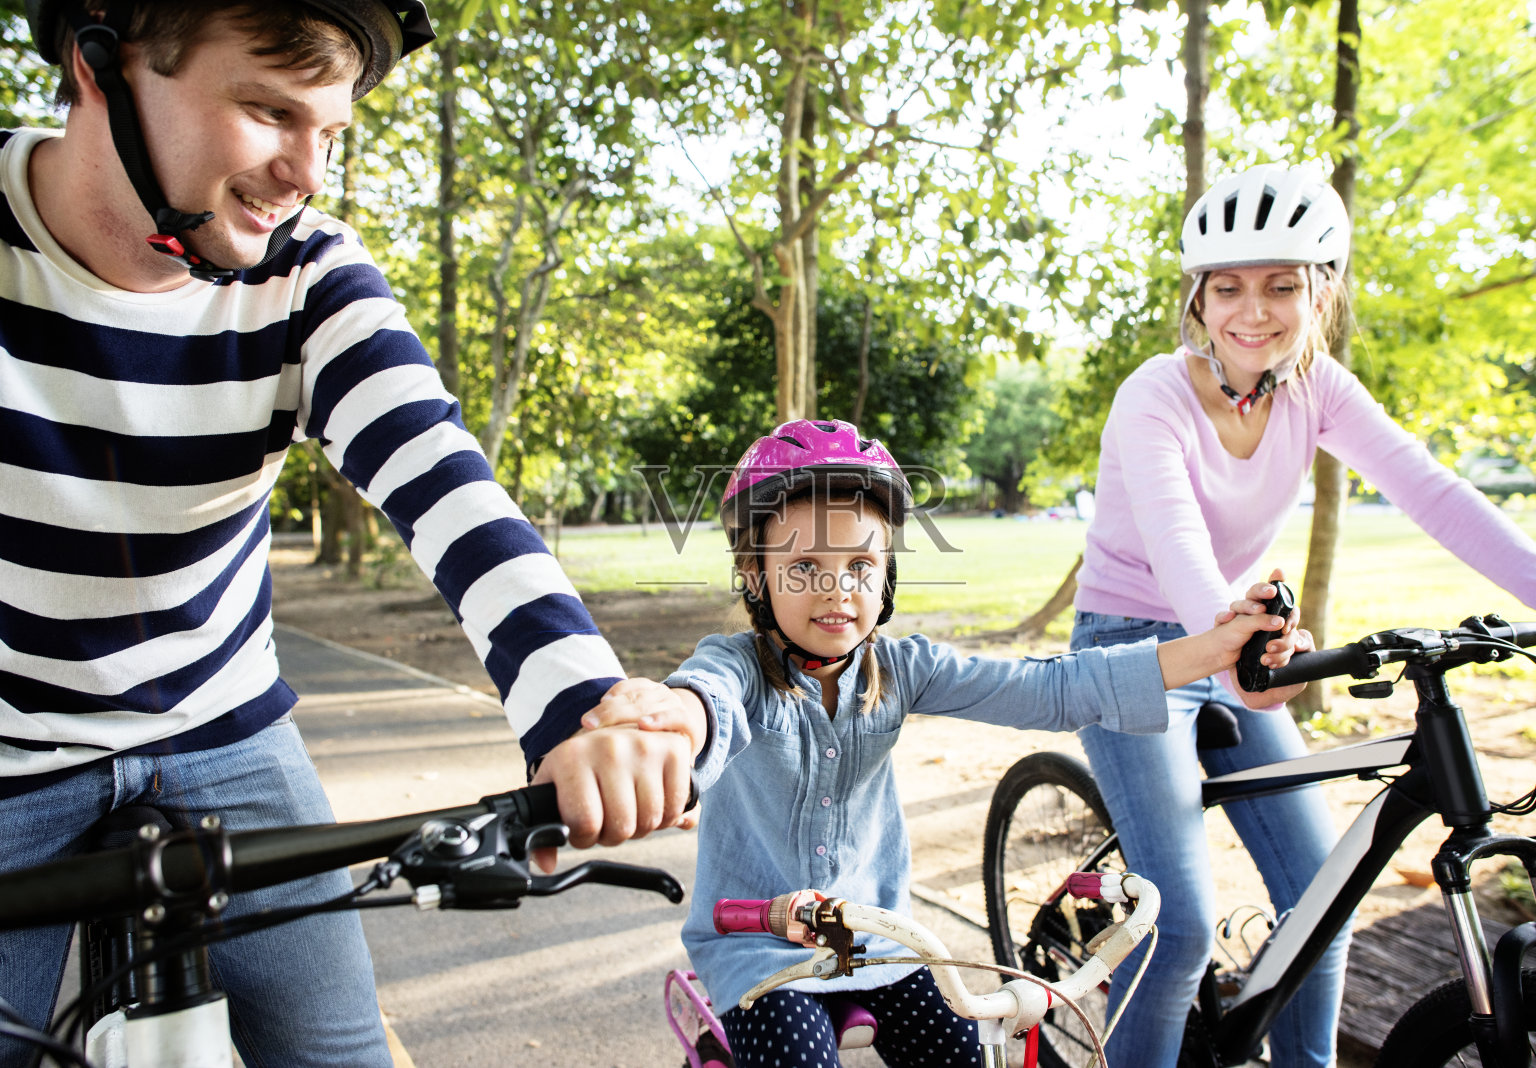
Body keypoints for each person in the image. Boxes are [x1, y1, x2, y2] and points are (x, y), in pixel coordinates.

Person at [0, 3, 689, 1065]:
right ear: (101, 68)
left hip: (217, 723)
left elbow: (448, 488)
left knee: (338, 1055)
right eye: (271, 112)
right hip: (9, 749)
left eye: (333, 132)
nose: (305, 173)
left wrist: (583, 710)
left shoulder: (306, 270)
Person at [1070, 164, 1536, 1067]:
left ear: (1323, 292)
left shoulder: (1318, 386)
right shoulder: (1153, 392)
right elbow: (1176, 543)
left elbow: (1434, 492)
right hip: (1134, 652)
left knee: (1327, 891)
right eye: (1228, 287)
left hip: (1242, 645)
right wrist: (1241, 646)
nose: (1254, 310)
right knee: (1183, 926)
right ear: (1197, 300)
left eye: (1283, 284)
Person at [592, 417, 1308, 1068]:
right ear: (755, 575)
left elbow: (1057, 687)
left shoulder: (901, 668)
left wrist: (1216, 648)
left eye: (861, 567)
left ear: (887, 575)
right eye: (804, 567)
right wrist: (673, 730)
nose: (837, 590)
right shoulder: (738, 667)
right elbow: (704, 702)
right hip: (761, 953)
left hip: (881, 947)